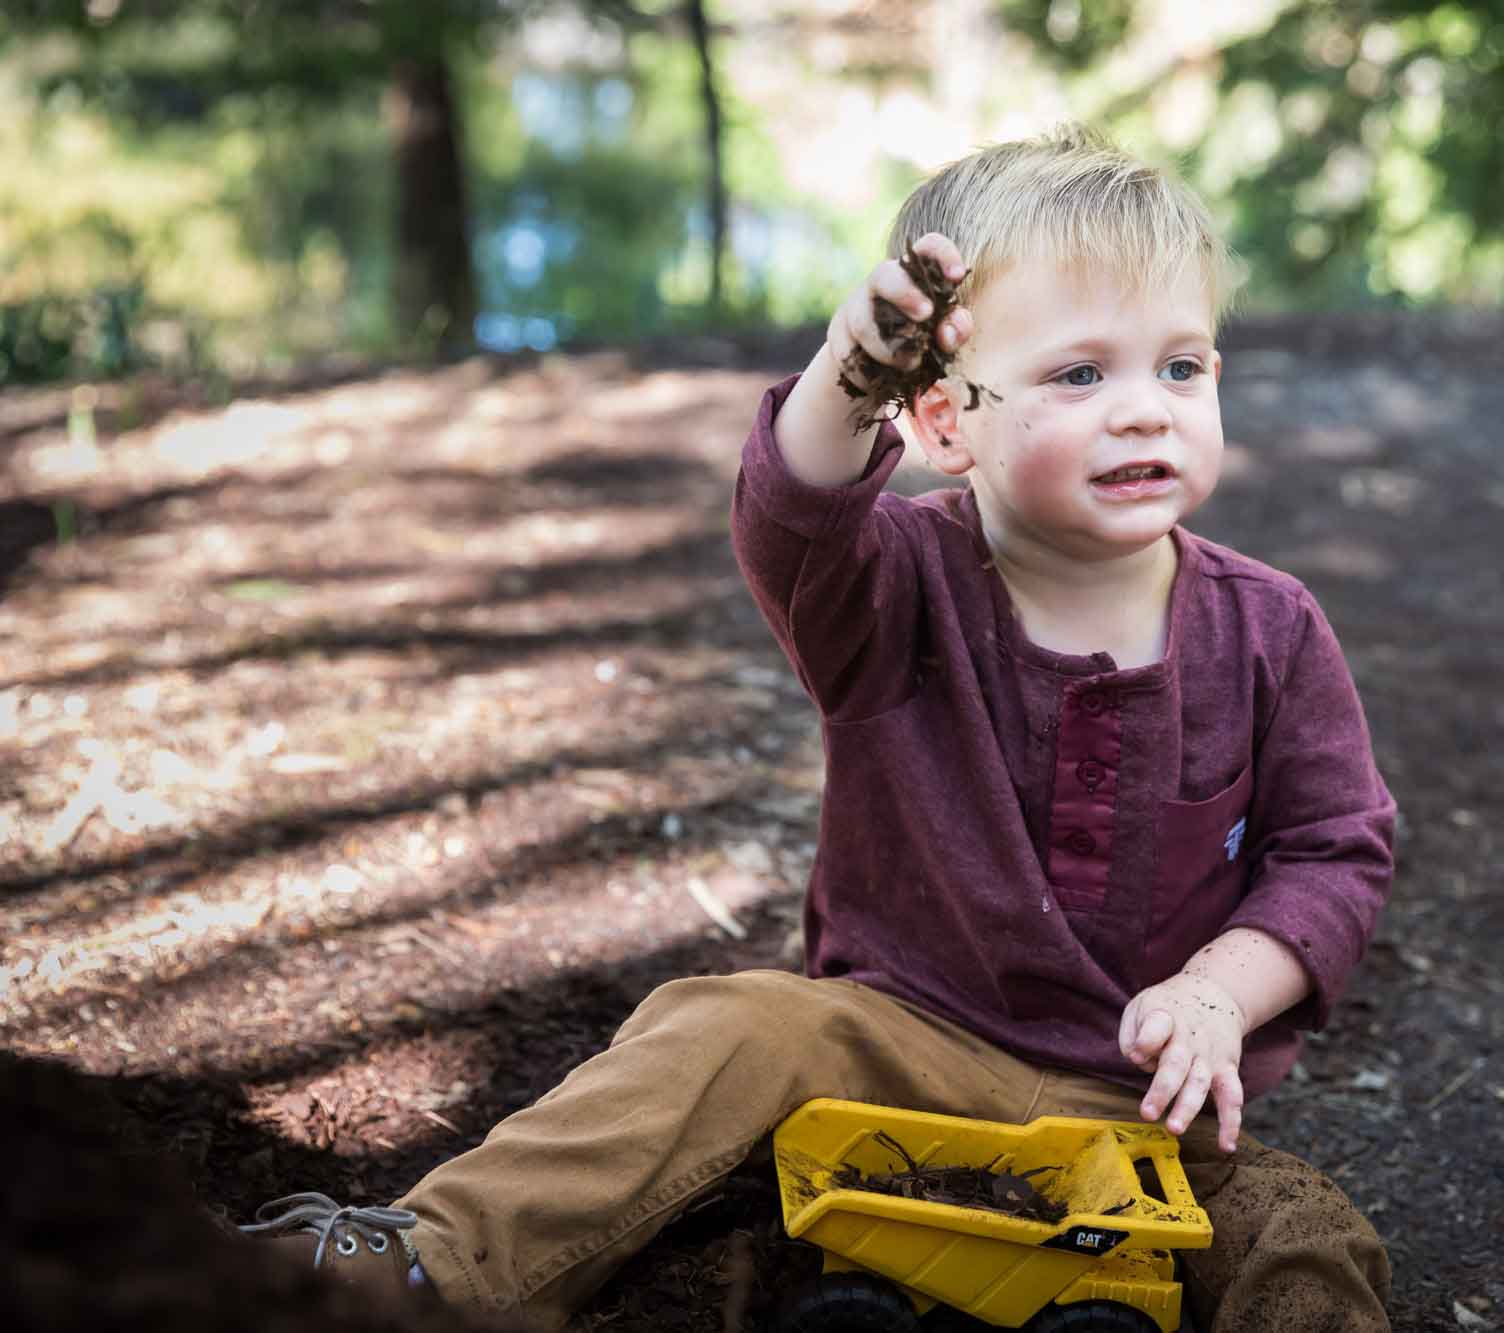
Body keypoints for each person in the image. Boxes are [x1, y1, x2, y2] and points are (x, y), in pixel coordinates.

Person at [242, 123, 1397, 1333]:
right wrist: (850, 375)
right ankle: (428, 1269)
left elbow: (1332, 850)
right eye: (1077, 375)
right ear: (944, 421)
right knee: (732, 1025)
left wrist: (1218, 991)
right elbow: (790, 518)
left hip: (1146, 1109)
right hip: (891, 1056)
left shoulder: (1269, 628)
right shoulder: (893, 587)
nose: (1142, 413)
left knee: (1315, 1242)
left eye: (1181, 367)